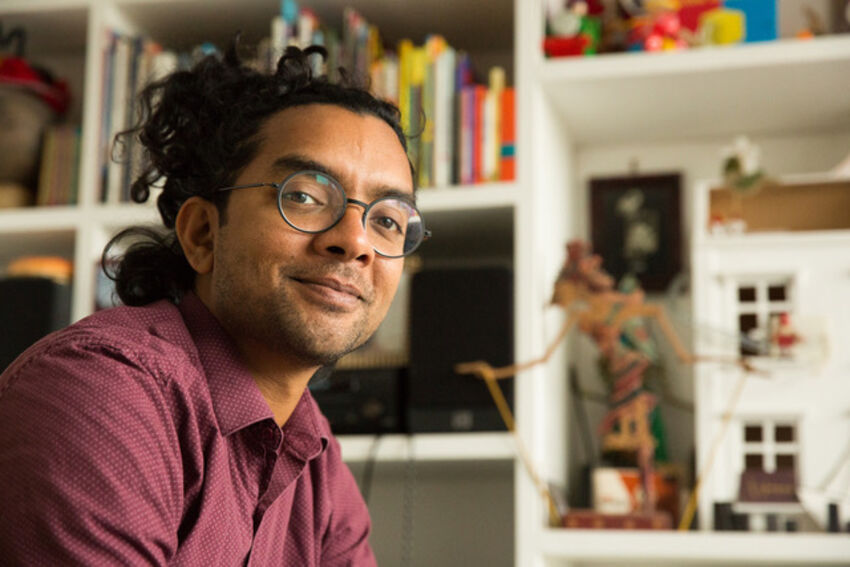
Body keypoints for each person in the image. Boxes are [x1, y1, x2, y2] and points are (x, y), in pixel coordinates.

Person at [0, 42, 428, 565]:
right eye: (305, 196)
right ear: (203, 233)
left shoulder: (315, 457)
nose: (356, 241)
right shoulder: (99, 392)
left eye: (387, 220)